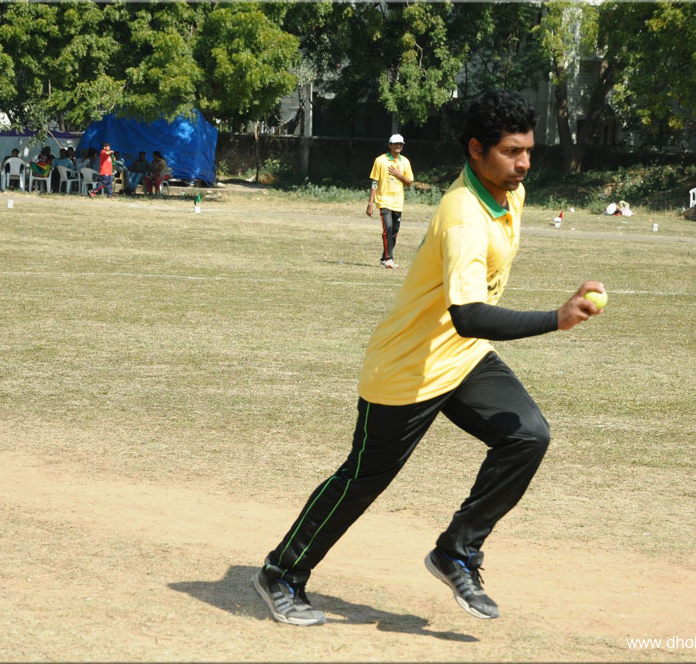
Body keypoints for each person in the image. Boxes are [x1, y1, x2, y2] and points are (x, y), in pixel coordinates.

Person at [251, 90, 605, 627]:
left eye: (528, 151)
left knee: (527, 435)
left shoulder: (510, 194)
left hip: (462, 359)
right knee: (364, 479)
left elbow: (466, 326)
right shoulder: (463, 215)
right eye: (511, 152)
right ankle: (281, 572)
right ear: (476, 149)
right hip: (407, 367)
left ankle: (456, 551)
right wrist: (555, 318)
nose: (524, 163)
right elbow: (469, 315)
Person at [366, 134, 414, 268]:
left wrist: (399, 175)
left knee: (394, 231)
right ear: (390, 145)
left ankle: (384, 258)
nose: (398, 146)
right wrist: (370, 203)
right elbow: (375, 182)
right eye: (396, 144)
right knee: (387, 227)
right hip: (383, 200)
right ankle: (389, 259)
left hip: (398, 202)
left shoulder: (405, 162)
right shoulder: (380, 160)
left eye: (401, 144)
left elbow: (409, 183)